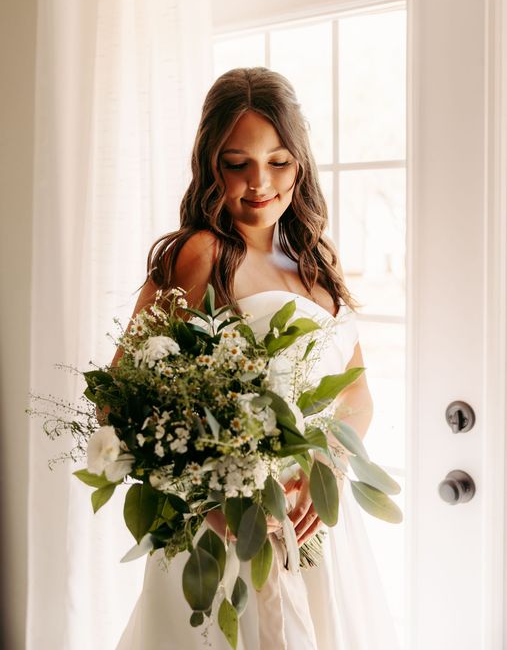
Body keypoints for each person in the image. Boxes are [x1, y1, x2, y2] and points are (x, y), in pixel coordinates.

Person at [115, 67, 400, 649]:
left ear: (300, 162)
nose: (258, 183)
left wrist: (330, 466)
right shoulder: (201, 255)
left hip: (315, 527)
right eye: (236, 162)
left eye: (278, 161)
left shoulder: (316, 260)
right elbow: (119, 397)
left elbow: (355, 394)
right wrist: (210, 496)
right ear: (209, 164)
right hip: (224, 531)